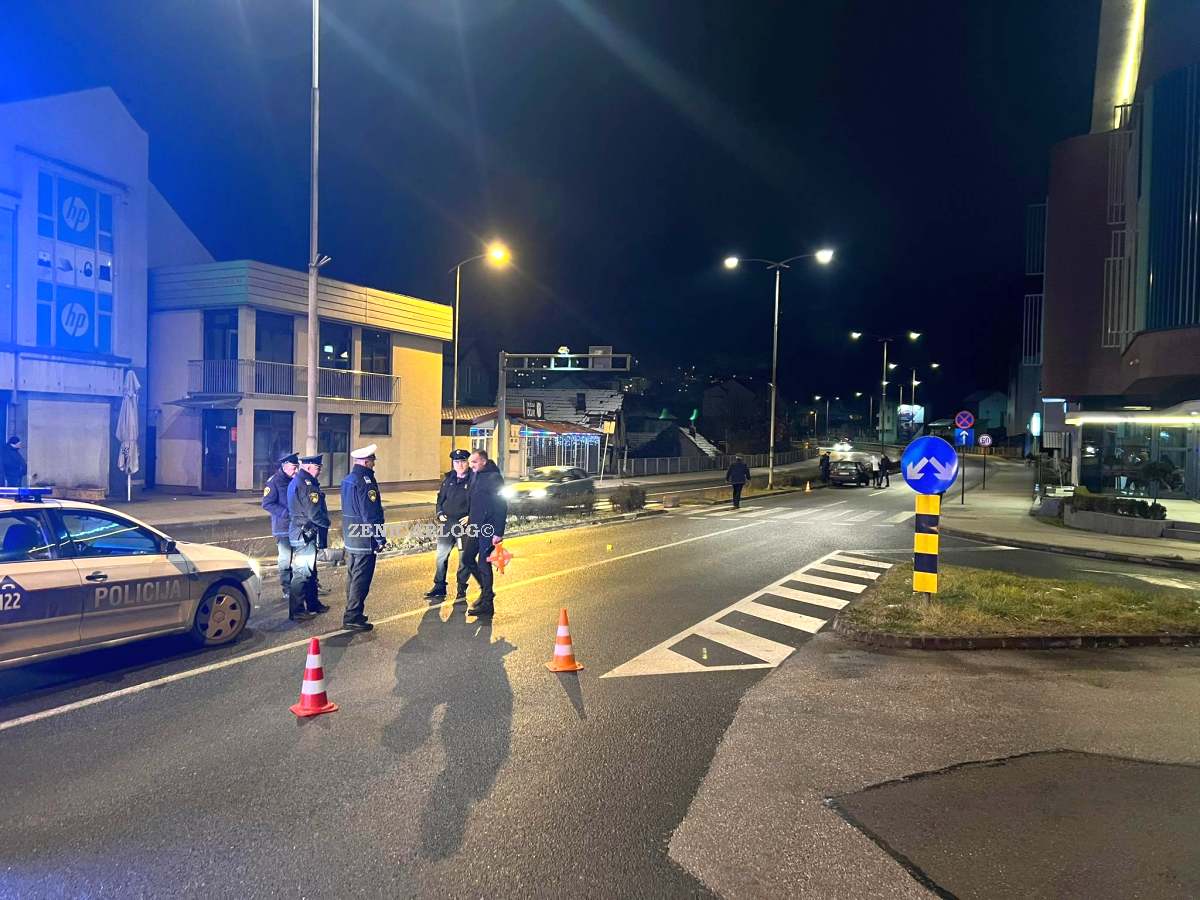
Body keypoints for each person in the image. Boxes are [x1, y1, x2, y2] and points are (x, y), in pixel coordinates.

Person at [341, 444, 385, 633]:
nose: (374, 464)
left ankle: (353, 611)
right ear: (366, 462)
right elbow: (370, 513)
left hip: (351, 536)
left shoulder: (348, 479)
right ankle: (352, 616)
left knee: (353, 576)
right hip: (364, 538)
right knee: (361, 579)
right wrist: (380, 537)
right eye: (372, 461)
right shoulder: (366, 482)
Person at [461, 448, 507, 618]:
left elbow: (501, 505)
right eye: (470, 462)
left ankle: (487, 604)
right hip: (475, 526)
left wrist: (498, 532)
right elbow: (475, 501)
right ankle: (486, 591)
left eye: (474, 462)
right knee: (467, 558)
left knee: (483, 563)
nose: (471, 465)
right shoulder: (475, 475)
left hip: (489, 528)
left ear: (483, 461)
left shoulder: (494, 478)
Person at [286, 454, 332, 623]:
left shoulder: (297, 481)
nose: (319, 471)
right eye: (317, 467)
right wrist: (326, 522)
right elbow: (313, 513)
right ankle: (297, 610)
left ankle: (313, 604)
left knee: (310, 572)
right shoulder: (307, 485)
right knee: (302, 573)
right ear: (307, 467)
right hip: (304, 534)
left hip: (301, 532)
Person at [425, 448, 472, 604]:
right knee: (441, 556)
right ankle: (439, 586)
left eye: (462, 461)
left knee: (464, 559)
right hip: (447, 524)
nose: (459, 465)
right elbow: (440, 499)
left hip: (464, 526)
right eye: (456, 462)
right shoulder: (448, 479)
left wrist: (471, 516)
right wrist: (439, 513)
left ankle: (461, 588)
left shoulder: (475, 480)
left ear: (467, 462)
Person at [262, 451, 300, 604]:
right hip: (282, 527)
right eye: (293, 467)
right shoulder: (274, 482)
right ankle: (287, 589)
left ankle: (305, 587)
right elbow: (267, 503)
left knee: (301, 559)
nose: (296, 471)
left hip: (297, 526)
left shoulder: (296, 479)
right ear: (284, 466)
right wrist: (285, 513)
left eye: (297, 467)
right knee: (285, 560)